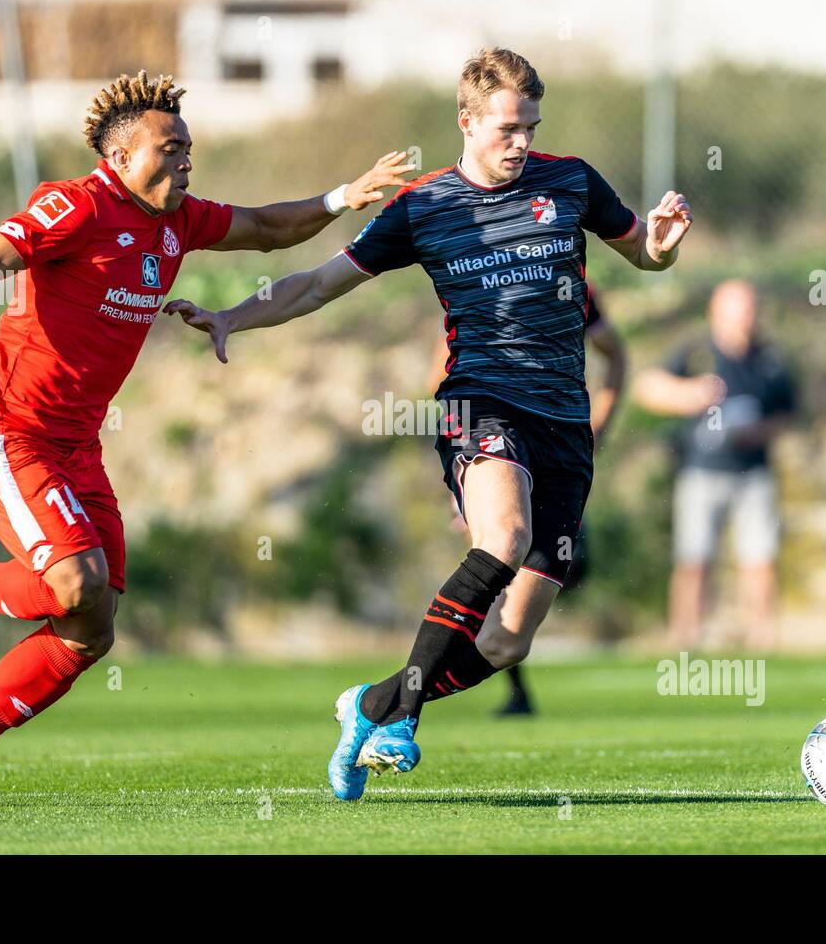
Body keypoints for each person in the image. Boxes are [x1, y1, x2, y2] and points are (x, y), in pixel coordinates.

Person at [0, 70, 414, 808]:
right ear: (121, 158)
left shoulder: (178, 222)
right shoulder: (76, 204)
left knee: (91, 628)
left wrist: (339, 199)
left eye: (189, 147)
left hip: (77, 445)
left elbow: (267, 228)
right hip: (10, 429)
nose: (186, 160)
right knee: (74, 583)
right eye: (170, 148)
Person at [165, 48, 690, 800]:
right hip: (483, 400)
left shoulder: (570, 181)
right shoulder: (424, 207)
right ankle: (402, 721)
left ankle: (372, 702)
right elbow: (317, 285)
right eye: (508, 129)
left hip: (566, 422)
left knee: (509, 639)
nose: (521, 143)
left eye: (530, 128)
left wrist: (662, 249)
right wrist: (231, 317)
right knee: (501, 540)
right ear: (467, 122)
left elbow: (642, 254)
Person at [426, 282, 627, 716]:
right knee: (496, 561)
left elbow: (616, 355)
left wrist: (597, 427)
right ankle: (512, 688)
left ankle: (404, 693)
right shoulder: (476, 282)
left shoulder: (571, 285)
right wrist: (468, 458)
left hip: (556, 448)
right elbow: (438, 378)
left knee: (561, 568)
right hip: (491, 440)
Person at [631, 279, 796, 651]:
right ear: (716, 312)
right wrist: (686, 395)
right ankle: (686, 640)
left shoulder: (768, 359)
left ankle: (763, 640)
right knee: (694, 560)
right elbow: (646, 386)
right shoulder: (696, 353)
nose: (745, 317)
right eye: (737, 308)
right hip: (701, 471)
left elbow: (787, 413)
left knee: (759, 559)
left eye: (750, 309)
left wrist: (758, 432)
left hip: (753, 473)